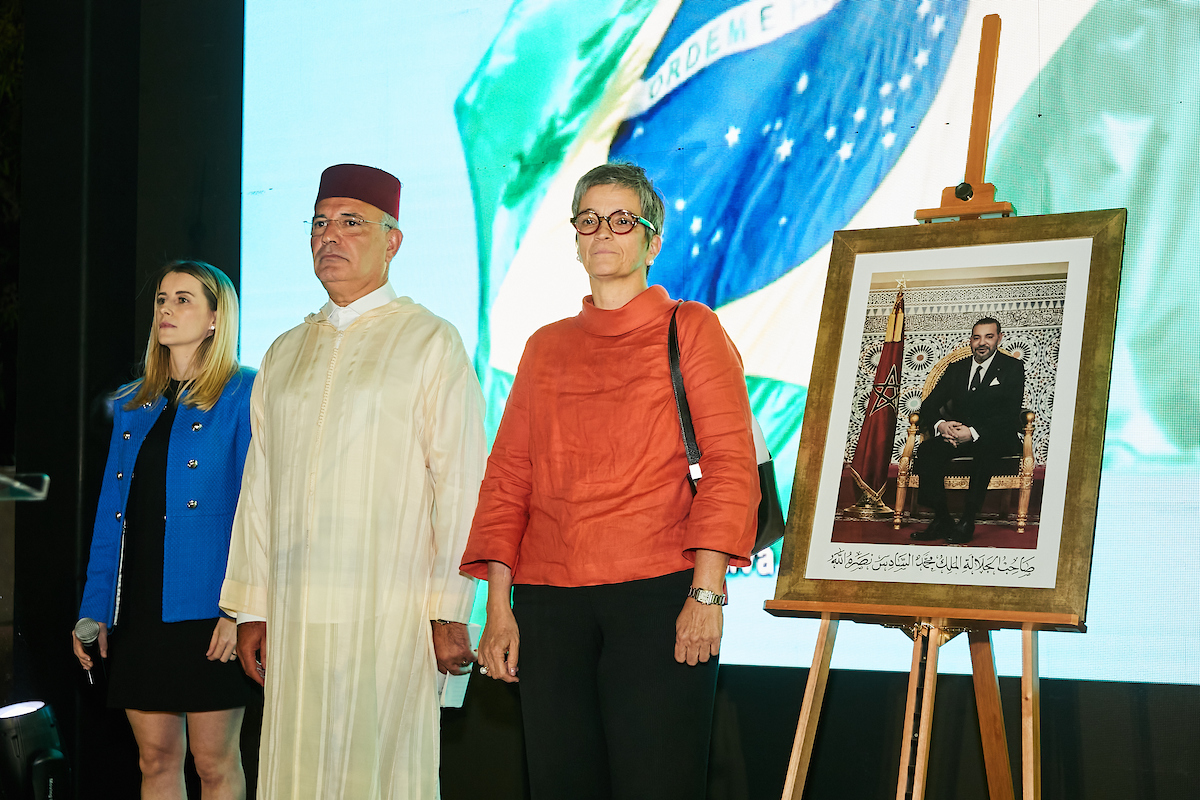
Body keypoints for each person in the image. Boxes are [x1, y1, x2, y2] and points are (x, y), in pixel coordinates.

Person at [459, 162, 759, 800]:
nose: (604, 233)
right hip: (548, 605)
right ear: (574, 238)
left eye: (623, 221)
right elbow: (509, 478)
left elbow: (730, 464)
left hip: (658, 599)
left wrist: (706, 595)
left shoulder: (693, 327)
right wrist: (500, 611)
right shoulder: (544, 346)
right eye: (589, 220)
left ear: (652, 241)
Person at [219, 164, 486, 799]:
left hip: (389, 611)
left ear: (393, 241)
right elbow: (260, 487)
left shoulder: (430, 341)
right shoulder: (285, 350)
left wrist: (450, 609)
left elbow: (461, 484)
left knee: (379, 772)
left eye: (351, 223)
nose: (329, 237)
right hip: (296, 611)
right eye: (319, 223)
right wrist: (254, 607)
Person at [73, 260, 255, 799]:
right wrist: (94, 609)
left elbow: (257, 512)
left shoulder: (245, 394)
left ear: (216, 318)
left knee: (214, 763)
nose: (166, 310)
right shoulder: (134, 402)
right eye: (161, 299)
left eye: (183, 299)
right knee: (155, 759)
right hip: (140, 613)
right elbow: (112, 517)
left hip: (209, 610)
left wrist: (237, 610)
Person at [911, 317, 1026, 544]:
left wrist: (972, 433)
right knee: (927, 451)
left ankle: (967, 520)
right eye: (977, 337)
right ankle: (942, 518)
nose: (982, 342)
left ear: (999, 339)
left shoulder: (1012, 368)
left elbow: (1009, 414)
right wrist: (942, 426)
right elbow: (929, 405)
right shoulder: (957, 369)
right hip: (957, 435)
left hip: (996, 435)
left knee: (985, 449)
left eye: (989, 337)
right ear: (970, 341)